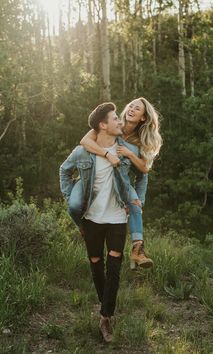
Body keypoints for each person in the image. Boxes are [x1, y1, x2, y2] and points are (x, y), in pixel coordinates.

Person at [59, 102, 147, 342]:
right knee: (96, 263)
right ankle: (105, 302)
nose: (120, 121)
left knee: (115, 266)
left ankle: (106, 316)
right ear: (103, 125)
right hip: (91, 219)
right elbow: (63, 171)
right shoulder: (84, 152)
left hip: (118, 217)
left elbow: (143, 174)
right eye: (115, 119)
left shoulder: (127, 149)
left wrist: (138, 200)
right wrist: (70, 199)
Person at [80, 97, 162, 269]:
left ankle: (137, 249)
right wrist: (107, 154)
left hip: (122, 180)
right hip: (100, 176)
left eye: (137, 108)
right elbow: (85, 141)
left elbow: (144, 171)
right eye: (131, 105)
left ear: (143, 118)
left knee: (135, 203)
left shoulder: (140, 141)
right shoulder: (113, 124)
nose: (131, 109)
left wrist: (129, 154)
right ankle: (83, 224)